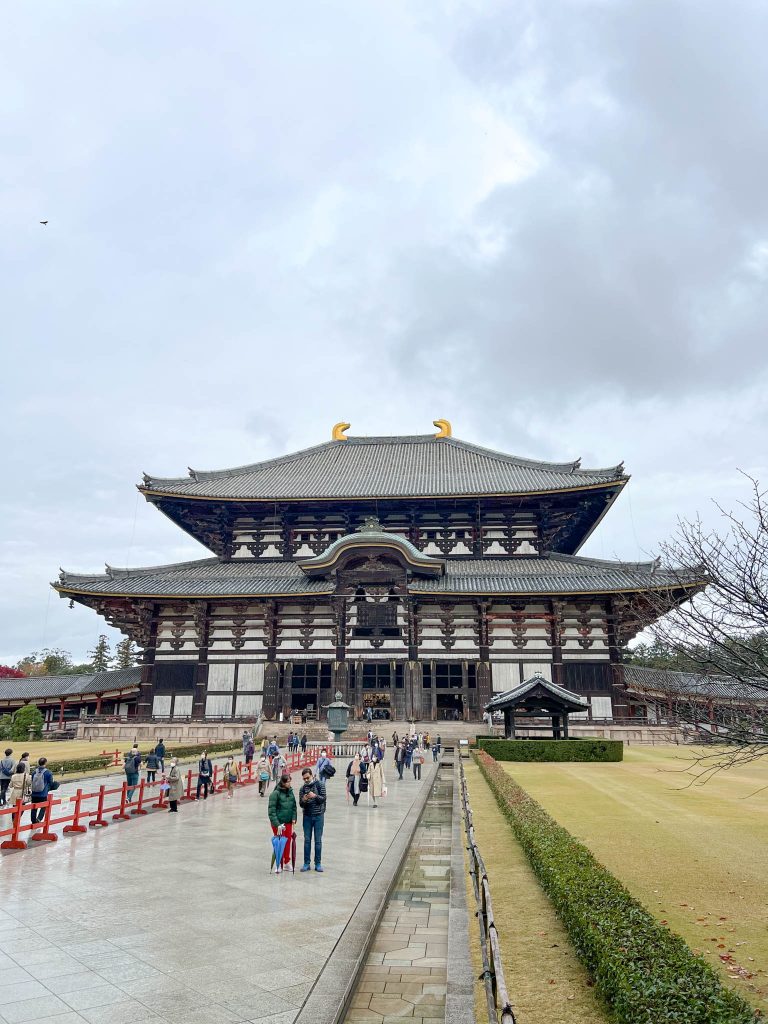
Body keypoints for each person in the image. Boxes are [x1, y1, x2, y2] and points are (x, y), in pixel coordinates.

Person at [268, 772, 297, 874]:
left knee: (288, 842)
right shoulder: (275, 794)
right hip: (279, 824)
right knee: (280, 843)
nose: (290, 783)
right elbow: (271, 811)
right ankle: (278, 864)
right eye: (288, 782)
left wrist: (294, 818)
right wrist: (277, 824)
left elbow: (294, 806)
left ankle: (286, 862)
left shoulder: (290, 792)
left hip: (288, 822)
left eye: (290, 781)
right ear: (283, 783)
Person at [299, 767, 326, 872]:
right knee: (307, 840)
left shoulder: (320, 785)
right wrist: (304, 799)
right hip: (307, 816)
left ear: (312, 775)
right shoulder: (302, 789)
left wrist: (315, 796)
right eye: (304, 779)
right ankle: (306, 863)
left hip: (319, 816)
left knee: (318, 841)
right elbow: (301, 804)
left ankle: (318, 863)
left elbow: (323, 799)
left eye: (307, 778)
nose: (306, 780)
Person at [29, 757, 55, 824]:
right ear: (45, 763)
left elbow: (32, 780)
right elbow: (51, 782)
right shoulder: (48, 772)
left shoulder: (34, 772)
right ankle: (39, 818)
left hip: (34, 793)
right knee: (44, 806)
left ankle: (33, 821)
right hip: (43, 793)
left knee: (34, 807)